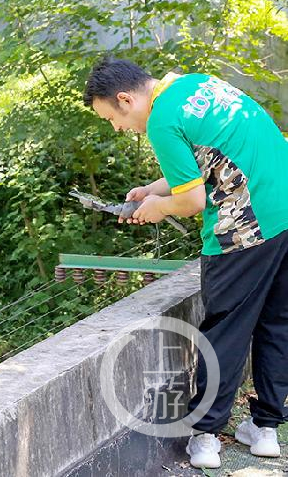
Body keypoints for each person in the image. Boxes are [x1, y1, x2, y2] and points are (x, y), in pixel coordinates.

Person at [83, 56, 288, 469]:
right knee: (277, 322)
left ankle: (206, 436)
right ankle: (266, 429)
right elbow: (208, 159)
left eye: (111, 119)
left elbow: (192, 201)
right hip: (285, 210)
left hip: (247, 228)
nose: (118, 129)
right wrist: (151, 190)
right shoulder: (197, 85)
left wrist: (159, 208)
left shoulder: (160, 121)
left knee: (225, 332)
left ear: (125, 99)